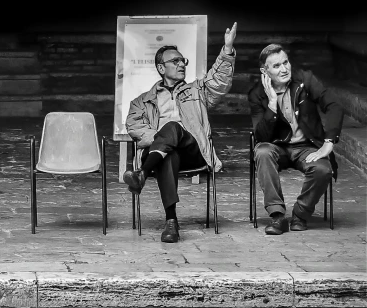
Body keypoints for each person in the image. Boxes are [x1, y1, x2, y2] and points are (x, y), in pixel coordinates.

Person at [122, 22, 238, 243]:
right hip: (160, 155)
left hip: (192, 151)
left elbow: (219, 80)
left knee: (173, 128)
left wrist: (228, 49)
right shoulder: (141, 102)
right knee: (168, 154)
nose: (181, 64)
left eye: (182, 60)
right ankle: (171, 222)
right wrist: (163, 142)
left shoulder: (197, 91)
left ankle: (141, 174)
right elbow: (134, 127)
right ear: (161, 68)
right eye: (174, 61)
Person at [250, 44, 344, 235]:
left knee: (323, 169)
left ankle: (300, 214)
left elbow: (334, 105)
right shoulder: (257, 94)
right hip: (276, 146)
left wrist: (328, 143)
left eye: (286, 62)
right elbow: (261, 136)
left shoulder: (305, 80)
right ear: (264, 71)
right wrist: (272, 105)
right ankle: (277, 216)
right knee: (262, 152)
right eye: (276, 66)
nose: (284, 69)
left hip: (307, 146)